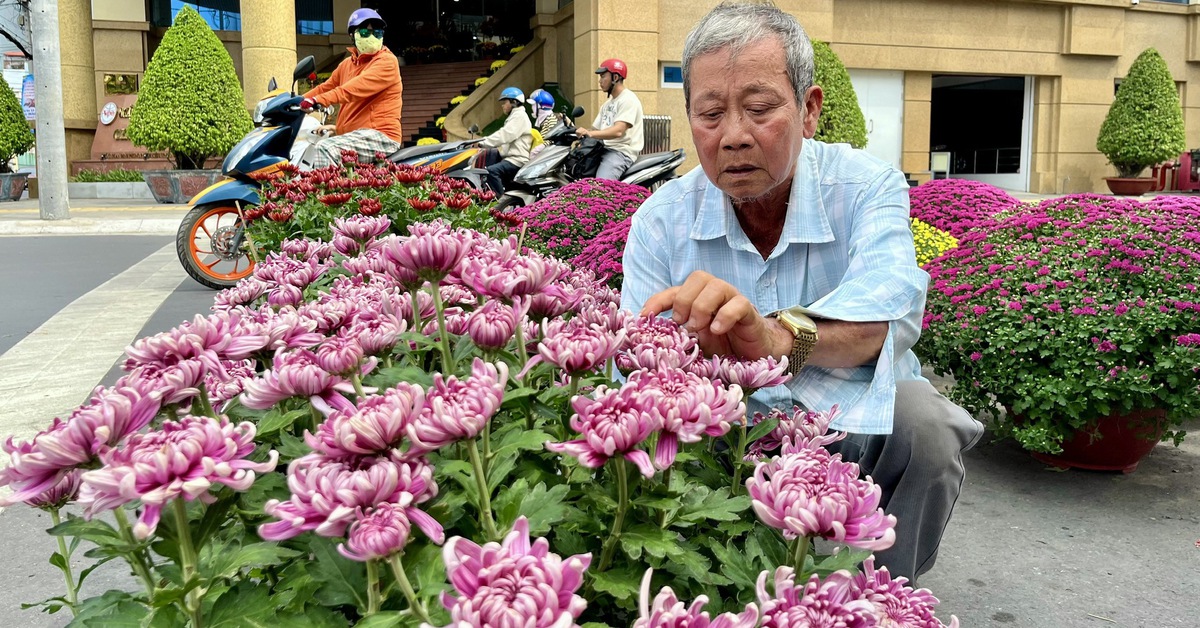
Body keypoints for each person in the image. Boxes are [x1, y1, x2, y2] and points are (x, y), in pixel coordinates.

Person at [619, 1, 984, 583]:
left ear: (810, 110)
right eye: (709, 115)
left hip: (852, 426)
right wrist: (684, 366)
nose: (734, 137)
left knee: (925, 425)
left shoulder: (867, 186)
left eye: (760, 109)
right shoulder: (660, 220)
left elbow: (887, 319)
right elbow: (630, 370)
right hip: (724, 436)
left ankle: (880, 599)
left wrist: (772, 338)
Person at [300, 9, 403, 168]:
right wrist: (295, 101)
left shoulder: (387, 62)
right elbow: (325, 87)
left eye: (377, 32)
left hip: (381, 135)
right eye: (364, 32)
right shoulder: (347, 64)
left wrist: (316, 101)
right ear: (352, 36)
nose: (372, 37)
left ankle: (330, 194)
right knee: (312, 146)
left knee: (325, 148)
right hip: (359, 135)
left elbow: (352, 89)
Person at [576, 58, 644, 180]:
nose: (599, 81)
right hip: (604, 149)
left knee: (600, 188)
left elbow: (618, 130)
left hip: (620, 152)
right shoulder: (608, 104)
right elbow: (595, 129)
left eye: (603, 76)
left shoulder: (628, 100)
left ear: (615, 77)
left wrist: (590, 134)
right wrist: (576, 129)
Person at [479, 87, 533, 194]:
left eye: (505, 102)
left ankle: (500, 204)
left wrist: (483, 142)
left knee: (491, 171)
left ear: (514, 102)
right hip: (510, 158)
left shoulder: (519, 116)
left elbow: (505, 135)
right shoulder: (515, 116)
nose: (502, 105)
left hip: (517, 160)